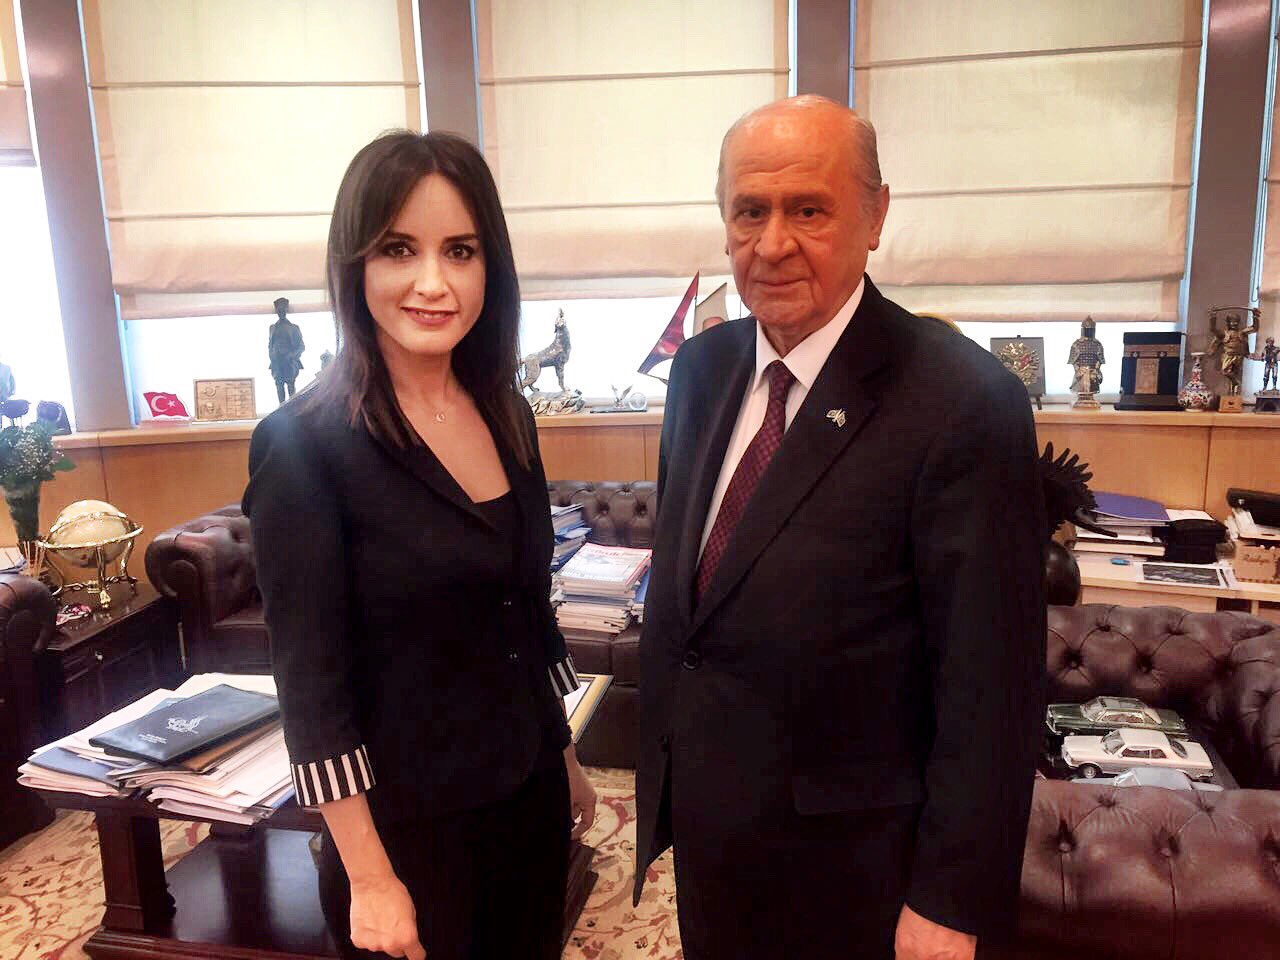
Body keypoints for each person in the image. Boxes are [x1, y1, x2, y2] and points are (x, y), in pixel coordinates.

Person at [634, 96, 1046, 960]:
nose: (772, 243)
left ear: (876, 216)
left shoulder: (964, 403)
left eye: (809, 210)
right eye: (750, 211)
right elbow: (697, 600)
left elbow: (991, 687)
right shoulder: (700, 371)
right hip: (713, 845)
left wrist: (950, 900)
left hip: (859, 874)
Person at [242, 130, 597, 960]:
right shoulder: (304, 444)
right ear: (355, 265)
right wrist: (368, 877)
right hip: (404, 835)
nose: (434, 283)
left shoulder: (507, 414)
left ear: (490, 268)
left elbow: (526, 615)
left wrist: (565, 757)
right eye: (399, 249)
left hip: (527, 800)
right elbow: (310, 682)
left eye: (460, 251)